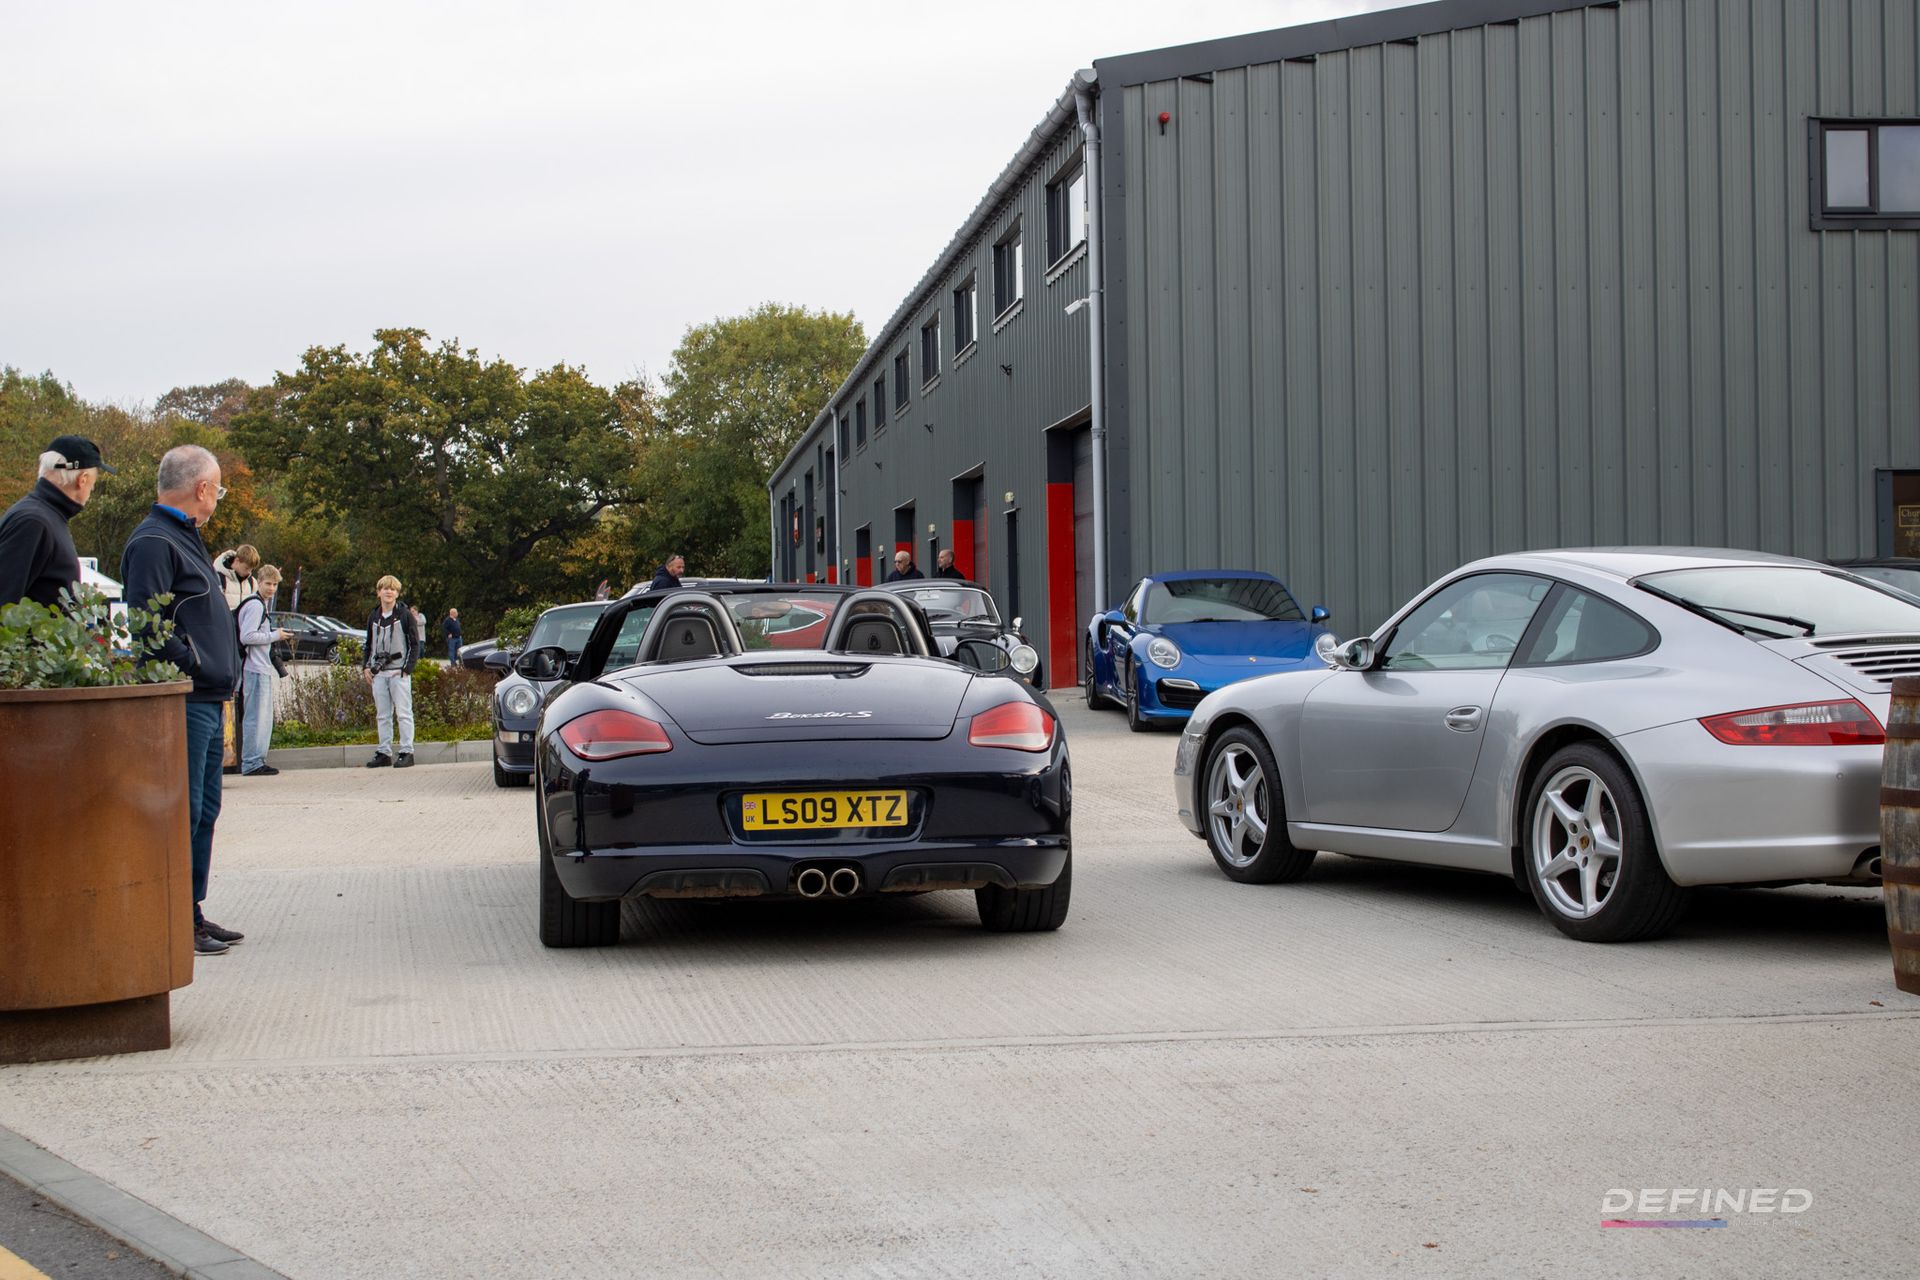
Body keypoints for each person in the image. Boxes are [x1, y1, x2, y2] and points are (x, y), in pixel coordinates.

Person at [120, 444, 244, 957]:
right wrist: (192, 663)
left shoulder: (184, 537)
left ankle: (190, 909)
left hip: (208, 698)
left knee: (205, 810)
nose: (218, 496)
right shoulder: (154, 541)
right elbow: (145, 625)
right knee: (184, 812)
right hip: (186, 700)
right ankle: (173, 918)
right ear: (202, 488)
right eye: (219, 487)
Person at [0, 435, 112, 607]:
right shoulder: (34, 522)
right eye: (93, 482)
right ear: (82, 479)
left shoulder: (45, 516)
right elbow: (5, 600)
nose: (92, 488)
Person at [235, 564, 291, 777]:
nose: (271, 588)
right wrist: (275, 636)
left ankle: (256, 760)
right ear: (258, 582)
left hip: (259, 667)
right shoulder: (255, 606)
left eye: (275, 585)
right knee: (256, 717)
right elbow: (247, 636)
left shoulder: (259, 604)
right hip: (254, 667)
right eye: (268, 583)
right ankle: (252, 762)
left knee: (262, 718)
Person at [363, 575, 420, 768]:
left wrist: (407, 668)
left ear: (397, 593)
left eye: (393, 589)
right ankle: (384, 751)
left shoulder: (405, 615)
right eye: (385, 588)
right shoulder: (373, 616)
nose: (389, 592)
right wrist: (366, 666)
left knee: (403, 713)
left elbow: (414, 644)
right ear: (378, 592)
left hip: (398, 672)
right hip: (379, 673)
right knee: (382, 715)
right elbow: (368, 644)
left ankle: (407, 751)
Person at [212, 545, 258, 775]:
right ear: (236, 561)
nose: (248, 573)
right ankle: (225, 751)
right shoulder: (219, 577)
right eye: (246, 568)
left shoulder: (251, 582)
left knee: (240, 691)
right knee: (228, 687)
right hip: (224, 634)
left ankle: (237, 750)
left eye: (251, 570)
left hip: (241, 640)